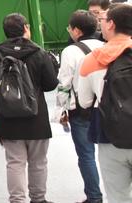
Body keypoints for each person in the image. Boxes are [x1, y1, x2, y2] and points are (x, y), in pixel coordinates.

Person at [0, 13, 59, 203]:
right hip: (36, 116)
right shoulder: (39, 53)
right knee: (38, 162)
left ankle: (17, 200)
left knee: (14, 162)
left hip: (6, 115)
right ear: (26, 28)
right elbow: (50, 84)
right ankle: (38, 199)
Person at [78, 3, 132, 203]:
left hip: (110, 135)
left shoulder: (92, 60)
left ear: (111, 24)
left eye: (103, 20)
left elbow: (84, 102)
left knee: (118, 197)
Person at [56, 10, 104, 203]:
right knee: (113, 155)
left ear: (76, 30)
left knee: (86, 156)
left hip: (81, 111)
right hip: (107, 108)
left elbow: (64, 84)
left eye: (69, 28)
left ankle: (94, 197)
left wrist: (61, 111)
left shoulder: (71, 51)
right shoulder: (105, 46)